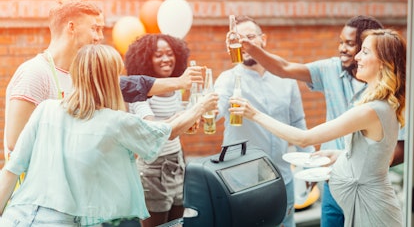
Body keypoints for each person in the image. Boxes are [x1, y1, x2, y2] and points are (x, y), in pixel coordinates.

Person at [0, 44, 219, 226]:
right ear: (109, 79)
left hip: (14, 219)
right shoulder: (114, 122)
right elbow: (165, 133)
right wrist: (199, 107)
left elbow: (11, 170)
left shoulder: (46, 109)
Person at [235, 15, 405, 226]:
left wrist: (254, 114)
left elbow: (304, 138)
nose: (357, 57)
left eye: (363, 50)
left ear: (383, 63)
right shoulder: (379, 103)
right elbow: (372, 151)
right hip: (354, 199)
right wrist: (340, 156)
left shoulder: (370, 109)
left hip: (368, 209)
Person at [3, 0, 203, 169]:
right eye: (95, 29)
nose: (100, 37)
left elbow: (132, 86)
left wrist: (179, 83)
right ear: (71, 27)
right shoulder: (35, 73)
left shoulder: (82, 73)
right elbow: (16, 143)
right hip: (38, 202)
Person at [215, 15, 314, 227]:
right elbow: (214, 111)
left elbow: (297, 123)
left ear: (263, 40)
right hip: (241, 182)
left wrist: (308, 165)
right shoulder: (228, 79)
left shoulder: (285, 79)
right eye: (239, 39)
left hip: (283, 178)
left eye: (250, 37)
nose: (245, 44)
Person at [124, 34, 192, 227]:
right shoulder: (138, 92)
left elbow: (178, 126)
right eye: (158, 55)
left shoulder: (175, 87)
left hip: (177, 162)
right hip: (153, 169)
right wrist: (186, 117)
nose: (166, 59)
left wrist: (190, 120)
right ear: (146, 60)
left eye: (170, 54)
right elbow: (153, 130)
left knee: (178, 224)